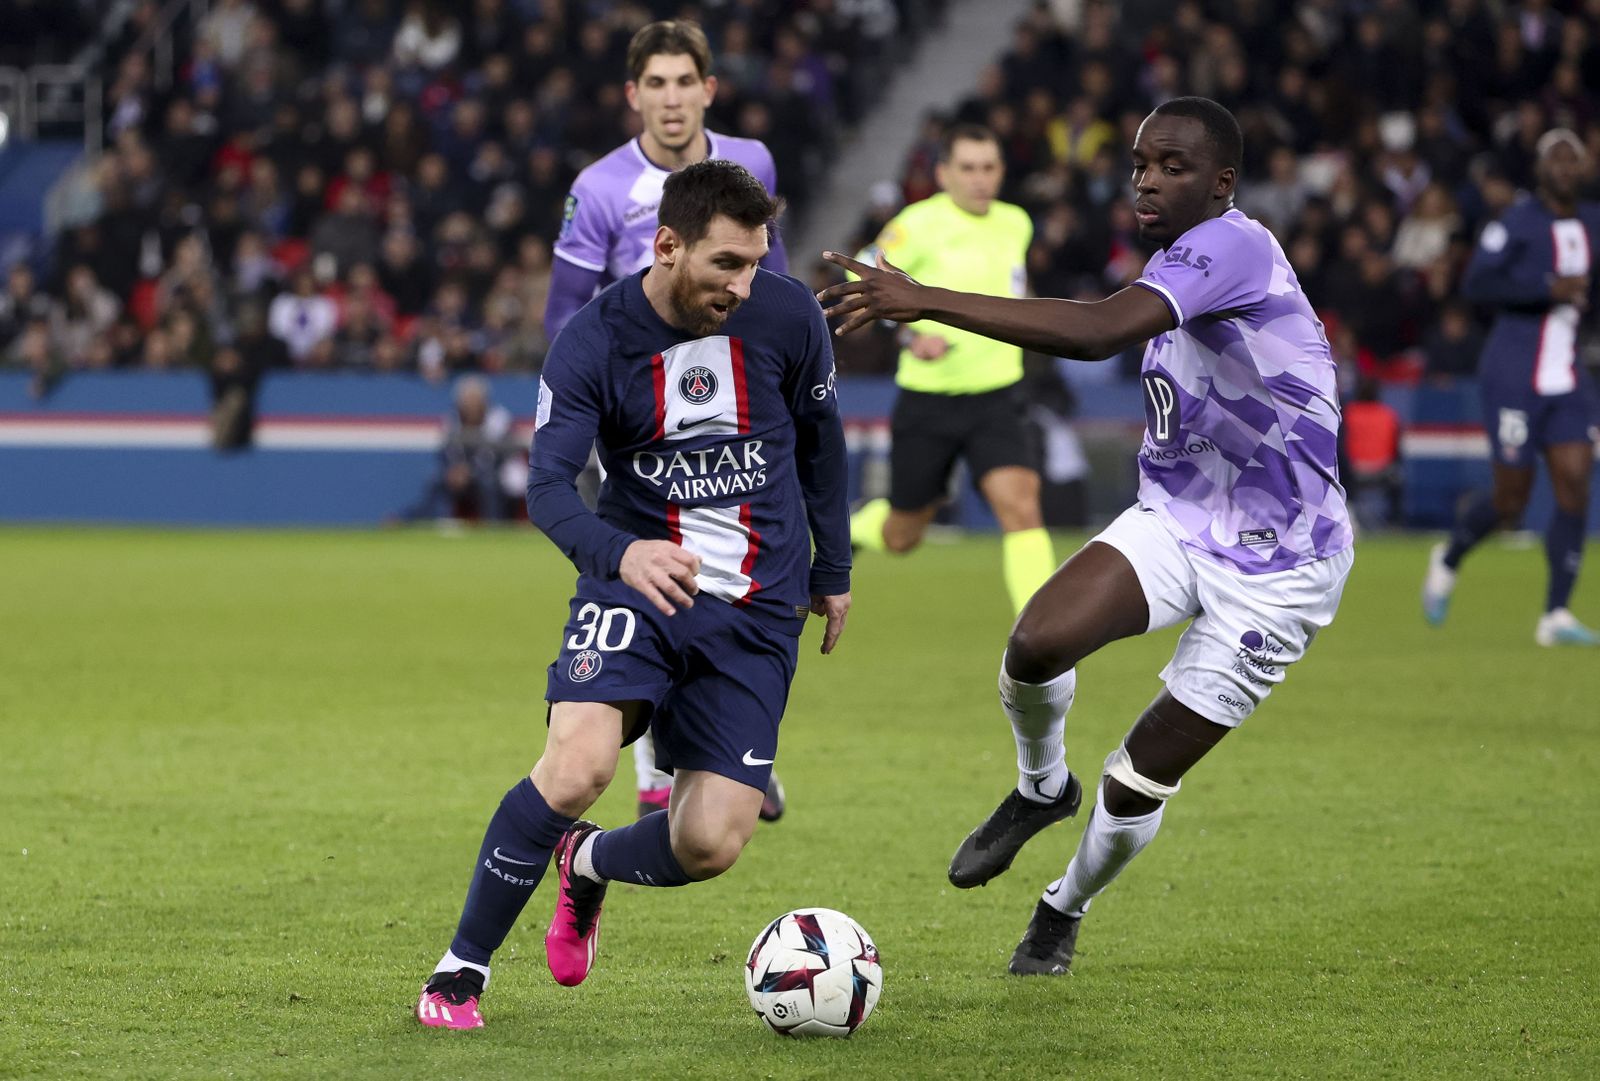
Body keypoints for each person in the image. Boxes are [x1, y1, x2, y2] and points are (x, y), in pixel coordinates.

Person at [817, 97, 1353, 976]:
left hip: (1281, 567)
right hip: (1179, 522)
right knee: (1037, 640)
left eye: (1173, 166)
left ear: (1223, 183)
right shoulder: (1180, 262)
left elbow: (1099, 329)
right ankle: (1040, 787)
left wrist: (925, 302)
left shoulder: (1235, 246)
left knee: (1137, 779)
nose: (1146, 178)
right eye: (1141, 162)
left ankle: (1062, 906)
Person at [416, 160, 850, 1028]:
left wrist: (832, 572)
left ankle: (586, 865)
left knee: (708, 841)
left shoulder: (790, 313)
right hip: (636, 587)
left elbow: (820, 443)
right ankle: (459, 970)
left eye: (757, 261)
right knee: (578, 765)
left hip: (759, 608)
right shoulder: (592, 340)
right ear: (667, 245)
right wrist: (623, 553)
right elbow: (546, 490)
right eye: (727, 263)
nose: (746, 282)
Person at [544, 19, 791, 820]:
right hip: (642, 407)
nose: (672, 98)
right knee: (662, 566)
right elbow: (564, 308)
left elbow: (773, 284)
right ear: (633, 95)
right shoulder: (601, 187)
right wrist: (580, 393)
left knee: (744, 572)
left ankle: (715, 744)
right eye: (656, 84)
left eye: (685, 81)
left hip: (736, 397)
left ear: (708, 89)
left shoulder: (749, 163)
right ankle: (666, 760)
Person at [848, 124, 1056, 617]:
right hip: (929, 400)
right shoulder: (917, 224)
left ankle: (1045, 637)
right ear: (943, 173)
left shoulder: (1016, 222)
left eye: (989, 168)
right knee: (902, 536)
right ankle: (855, 527)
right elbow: (857, 273)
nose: (979, 179)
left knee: (1021, 507)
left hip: (998, 396)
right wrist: (907, 336)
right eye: (967, 168)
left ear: (1001, 171)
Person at [1421, 130, 1599, 646]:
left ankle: (1556, 614)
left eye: (1574, 159)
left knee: (1574, 483)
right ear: (1540, 169)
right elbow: (1477, 283)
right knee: (1511, 501)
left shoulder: (1592, 221)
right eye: (1556, 159)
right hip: (1515, 372)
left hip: (1567, 374)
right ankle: (1450, 554)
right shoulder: (1516, 222)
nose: (1565, 168)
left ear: (1583, 168)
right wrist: (1546, 288)